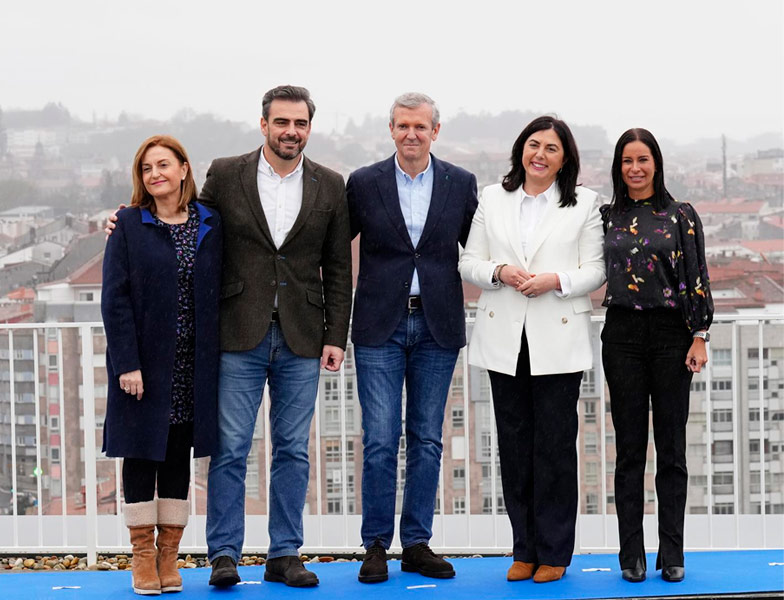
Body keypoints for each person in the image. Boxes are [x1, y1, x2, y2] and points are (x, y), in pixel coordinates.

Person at [106, 85, 352, 588]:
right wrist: (123, 220)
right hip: (236, 331)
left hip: (303, 337)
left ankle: (285, 554)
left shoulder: (331, 185)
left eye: (300, 123)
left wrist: (336, 335)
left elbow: (339, 267)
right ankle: (224, 555)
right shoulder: (227, 173)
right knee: (230, 447)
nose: (290, 131)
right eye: (281, 122)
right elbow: (180, 214)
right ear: (263, 124)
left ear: (310, 127)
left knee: (291, 450)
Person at [459, 115, 605, 583]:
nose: (540, 155)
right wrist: (498, 271)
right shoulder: (492, 197)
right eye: (533, 145)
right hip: (505, 337)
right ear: (521, 149)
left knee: (556, 449)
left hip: (558, 337)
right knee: (515, 447)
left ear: (566, 159)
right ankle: (524, 548)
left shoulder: (584, 203)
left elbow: (596, 270)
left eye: (552, 149)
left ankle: (555, 552)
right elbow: (469, 261)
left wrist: (556, 281)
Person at [345, 92, 477, 584]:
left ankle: (417, 543)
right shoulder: (363, 183)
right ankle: (376, 544)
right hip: (380, 324)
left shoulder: (460, 183)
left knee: (426, 438)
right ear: (391, 129)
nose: (411, 134)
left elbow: (482, 245)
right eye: (402, 126)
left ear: (435, 131)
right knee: (380, 438)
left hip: (437, 325)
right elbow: (331, 247)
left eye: (420, 127)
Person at [101, 135, 222, 595]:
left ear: (184, 169)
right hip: (143, 367)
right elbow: (114, 299)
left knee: (176, 457)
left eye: (164, 165)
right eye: (147, 168)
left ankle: (170, 556)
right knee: (139, 456)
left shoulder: (210, 222)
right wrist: (126, 364)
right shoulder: (130, 225)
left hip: (193, 364)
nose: (155, 174)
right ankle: (142, 558)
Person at [601, 128, 712, 584]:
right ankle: (632, 555)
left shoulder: (681, 215)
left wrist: (699, 334)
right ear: (618, 167)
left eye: (642, 159)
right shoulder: (605, 215)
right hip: (622, 335)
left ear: (656, 163)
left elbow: (696, 276)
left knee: (671, 450)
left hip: (671, 335)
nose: (635, 168)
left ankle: (673, 554)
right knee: (629, 452)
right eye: (627, 160)